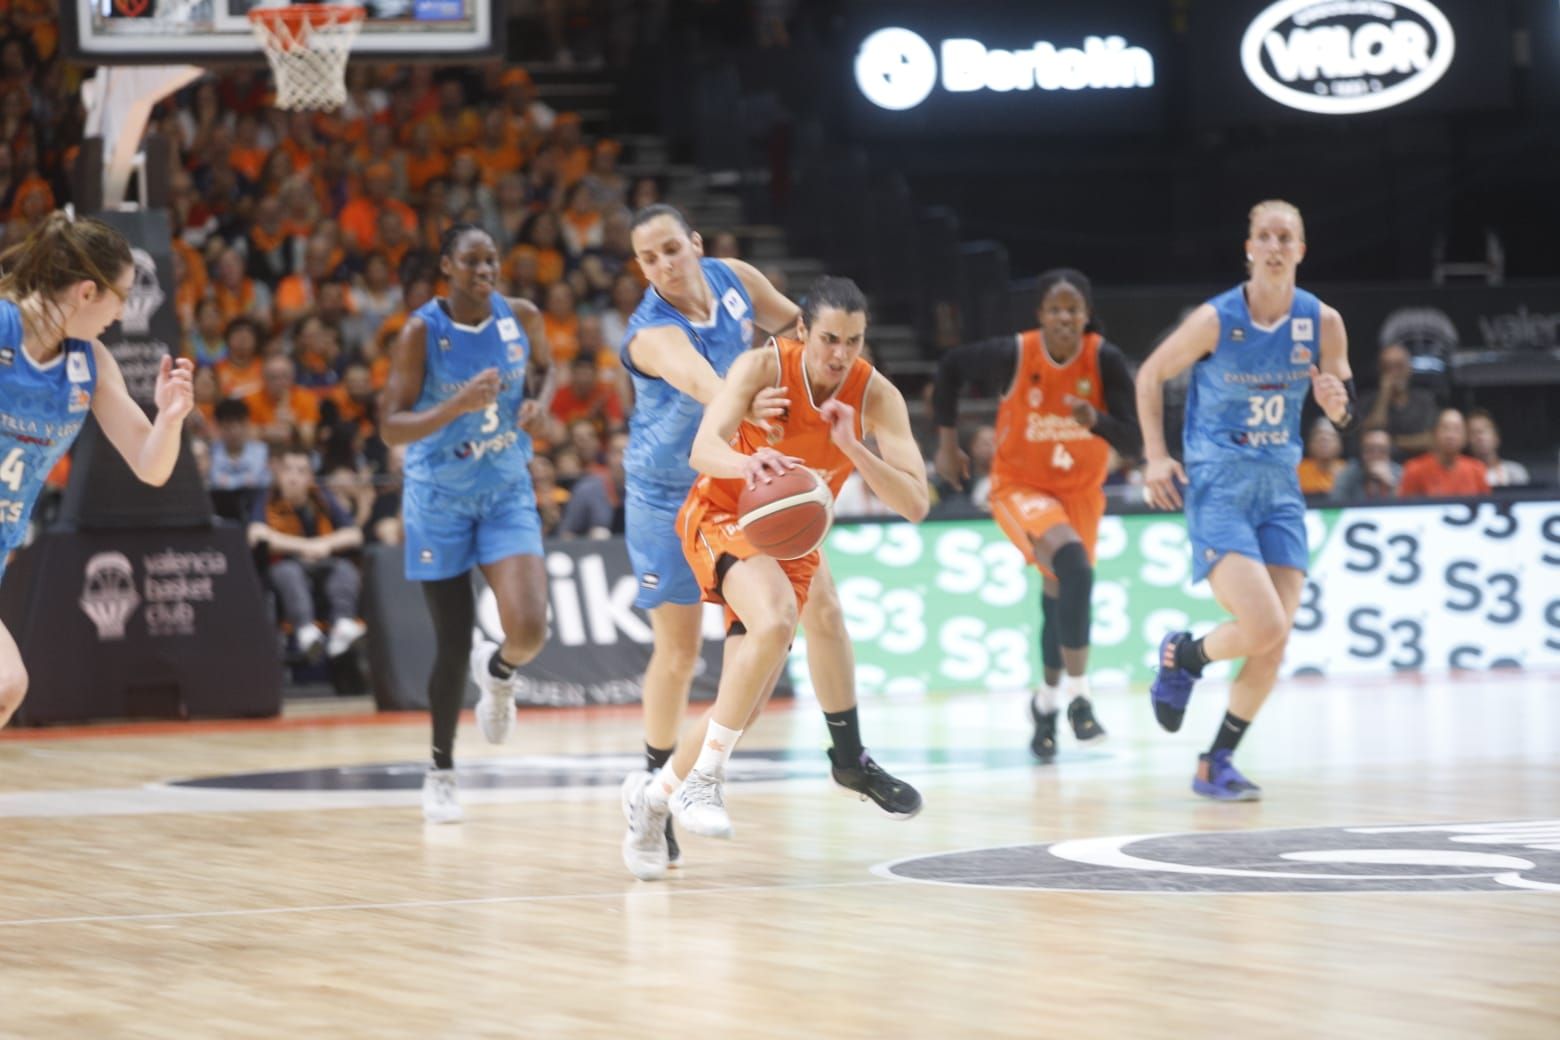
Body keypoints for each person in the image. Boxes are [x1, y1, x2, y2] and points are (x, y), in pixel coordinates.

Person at [620, 276, 928, 881]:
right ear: (803, 333)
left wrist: (856, 449)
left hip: (792, 542)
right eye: (830, 339)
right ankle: (704, 781)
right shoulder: (762, 368)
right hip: (723, 513)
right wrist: (749, 461)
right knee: (780, 617)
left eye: (855, 341)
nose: (841, 354)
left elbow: (916, 502)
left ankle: (651, 800)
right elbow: (703, 449)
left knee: (748, 699)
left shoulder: (876, 396)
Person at [1135, 200, 1353, 801]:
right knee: (1263, 623)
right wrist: (1155, 454)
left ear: (1301, 250)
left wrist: (1337, 406)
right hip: (1219, 484)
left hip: (1280, 488)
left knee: (1274, 641)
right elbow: (1150, 374)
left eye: (1287, 237)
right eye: (1265, 236)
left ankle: (1217, 762)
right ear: (1249, 248)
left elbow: (1343, 402)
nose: (1276, 246)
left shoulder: (1322, 322)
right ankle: (1184, 655)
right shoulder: (1217, 319)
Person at [381, 223, 555, 824]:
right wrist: (458, 403)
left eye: (493, 261)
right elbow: (391, 427)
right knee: (453, 644)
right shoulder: (420, 333)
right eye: (473, 262)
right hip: (440, 500)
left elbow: (547, 372)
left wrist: (538, 404)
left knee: (530, 628)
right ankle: (441, 770)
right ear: (447, 267)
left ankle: (501, 670)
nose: (486, 271)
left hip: (505, 488)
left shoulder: (523, 316)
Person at [932, 268, 1140, 762]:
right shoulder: (1016, 353)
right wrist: (946, 445)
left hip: (1081, 495)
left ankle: (1045, 704)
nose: (1065, 317)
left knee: (1061, 593)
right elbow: (951, 369)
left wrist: (1100, 421)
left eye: (1073, 309)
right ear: (1040, 315)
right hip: (1020, 487)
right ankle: (1081, 699)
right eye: (1055, 309)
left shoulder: (1104, 360)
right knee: (1073, 566)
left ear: (1086, 316)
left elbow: (1133, 441)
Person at [0, 212, 194, 729]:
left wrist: (170, 420)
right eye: (122, 295)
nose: (126, 310)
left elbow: (151, 467)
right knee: (6, 683)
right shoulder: (2, 326)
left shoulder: (92, 362)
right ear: (87, 292)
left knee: (5, 688)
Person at [248, 445, 365, 661]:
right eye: (288, 470)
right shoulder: (266, 498)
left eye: (301, 471)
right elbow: (256, 534)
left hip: (322, 563)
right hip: (286, 565)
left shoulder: (322, 497)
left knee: (345, 569)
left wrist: (325, 544)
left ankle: (343, 626)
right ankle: (306, 631)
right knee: (288, 572)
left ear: (310, 476)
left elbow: (354, 534)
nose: (294, 477)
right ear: (278, 473)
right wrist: (303, 546)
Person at [1357, 342, 1435, 458]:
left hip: (1417, 464)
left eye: (1399, 366)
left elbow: (1430, 439)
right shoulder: (1368, 400)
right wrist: (1384, 395)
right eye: (1387, 368)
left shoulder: (1424, 399)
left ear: (1409, 368)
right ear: (1380, 371)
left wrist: (1393, 441)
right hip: (1377, 463)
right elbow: (1371, 435)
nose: (1394, 373)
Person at [1397, 408, 1490, 498]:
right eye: (1445, 428)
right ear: (1434, 433)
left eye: (1457, 429)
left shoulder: (1477, 470)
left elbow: (1487, 506)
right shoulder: (1414, 470)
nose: (1450, 435)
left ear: (1465, 437)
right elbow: (1404, 508)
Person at [1329, 429, 1400, 501]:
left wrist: (1391, 484)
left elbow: (1406, 507)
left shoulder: (1399, 473)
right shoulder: (1347, 474)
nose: (1375, 455)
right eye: (1370, 450)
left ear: (1390, 453)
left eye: (1382, 450)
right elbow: (1335, 504)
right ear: (1361, 453)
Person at [1466, 408, 1529, 488]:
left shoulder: (1516, 472)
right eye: (1473, 432)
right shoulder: (1464, 475)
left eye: (1484, 431)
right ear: (1467, 441)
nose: (1480, 437)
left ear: (1496, 437)